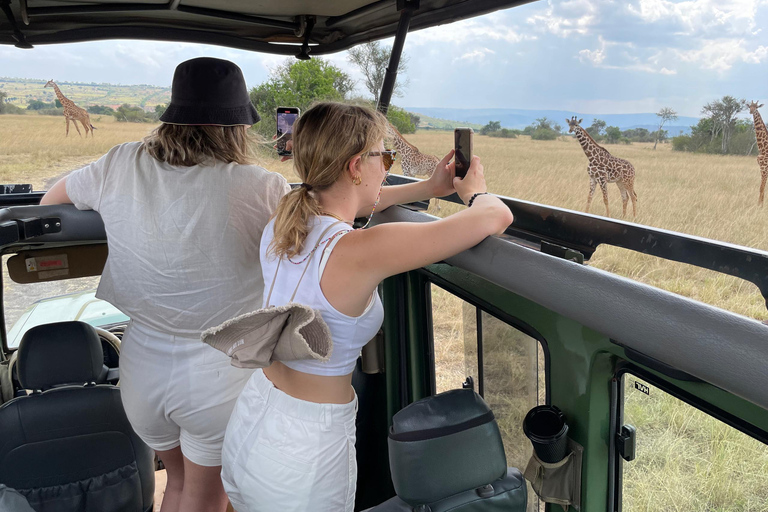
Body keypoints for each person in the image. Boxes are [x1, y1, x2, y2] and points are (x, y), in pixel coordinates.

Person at [220, 102, 514, 511]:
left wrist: (427, 188)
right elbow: (495, 216)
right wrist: (475, 191)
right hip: (303, 451)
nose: (387, 166)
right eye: (385, 157)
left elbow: (354, 202)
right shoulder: (358, 249)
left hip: (254, 415)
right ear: (357, 165)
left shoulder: (287, 220)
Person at [40, 57, 290, 512]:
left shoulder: (120, 162)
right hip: (218, 369)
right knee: (205, 497)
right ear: (237, 126)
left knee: (175, 486)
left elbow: (48, 205)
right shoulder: (262, 185)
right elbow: (315, 233)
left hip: (141, 368)